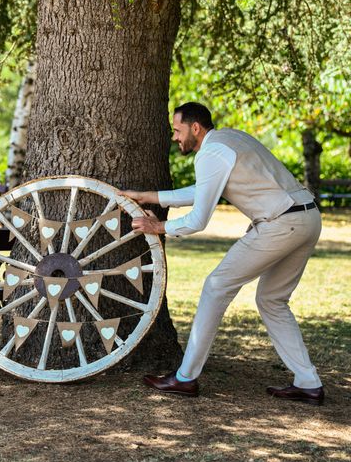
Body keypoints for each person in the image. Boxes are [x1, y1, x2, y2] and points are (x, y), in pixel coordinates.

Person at [120, 102, 324, 405]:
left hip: (281, 224)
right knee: (271, 300)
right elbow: (203, 190)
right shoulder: (229, 139)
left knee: (216, 286)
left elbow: (198, 220)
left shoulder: (210, 154)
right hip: (308, 217)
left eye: (178, 130)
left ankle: (185, 378)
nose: (175, 137)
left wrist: (158, 226)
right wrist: (148, 196)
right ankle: (308, 383)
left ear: (195, 128)